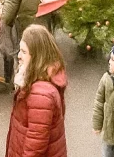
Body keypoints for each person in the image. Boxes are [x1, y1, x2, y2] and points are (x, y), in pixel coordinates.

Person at [5, 25, 68, 157]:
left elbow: (35, 146)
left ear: (36, 56)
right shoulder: (42, 78)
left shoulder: (40, 95)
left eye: (23, 52)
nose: (19, 56)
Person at [1, 0, 40, 84]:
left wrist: (4, 29)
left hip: (18, 23)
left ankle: (13, 80)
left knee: (14, 51)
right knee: (28, 51)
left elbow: (7, 16)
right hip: (29, 20)